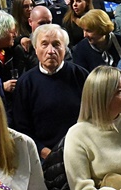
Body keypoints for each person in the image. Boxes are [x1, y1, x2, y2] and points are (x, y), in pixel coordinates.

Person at [12, 24, 88, 159]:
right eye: (44, 44)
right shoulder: (26, 83)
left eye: (56, 44)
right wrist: (43, 151)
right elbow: (21, 127)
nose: (51, 51)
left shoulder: (80, 76)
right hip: (41, 154)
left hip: (81, 150)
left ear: (65, 49)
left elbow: (92, 117)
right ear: (35, 49)